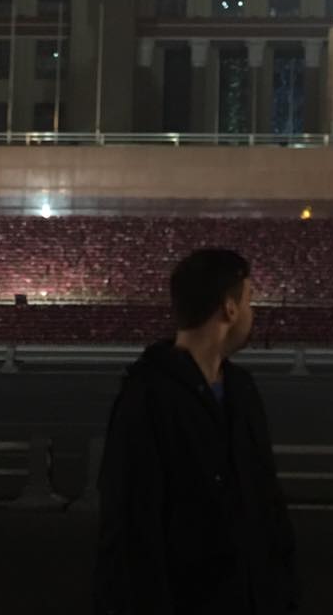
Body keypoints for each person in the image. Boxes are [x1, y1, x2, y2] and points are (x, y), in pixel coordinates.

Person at [93, 248, 300, 615]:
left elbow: (268, 508)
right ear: (229, 308)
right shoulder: (149, 397)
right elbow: (132, 538)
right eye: (249, 301)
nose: (252, 314)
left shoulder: (241, 390)